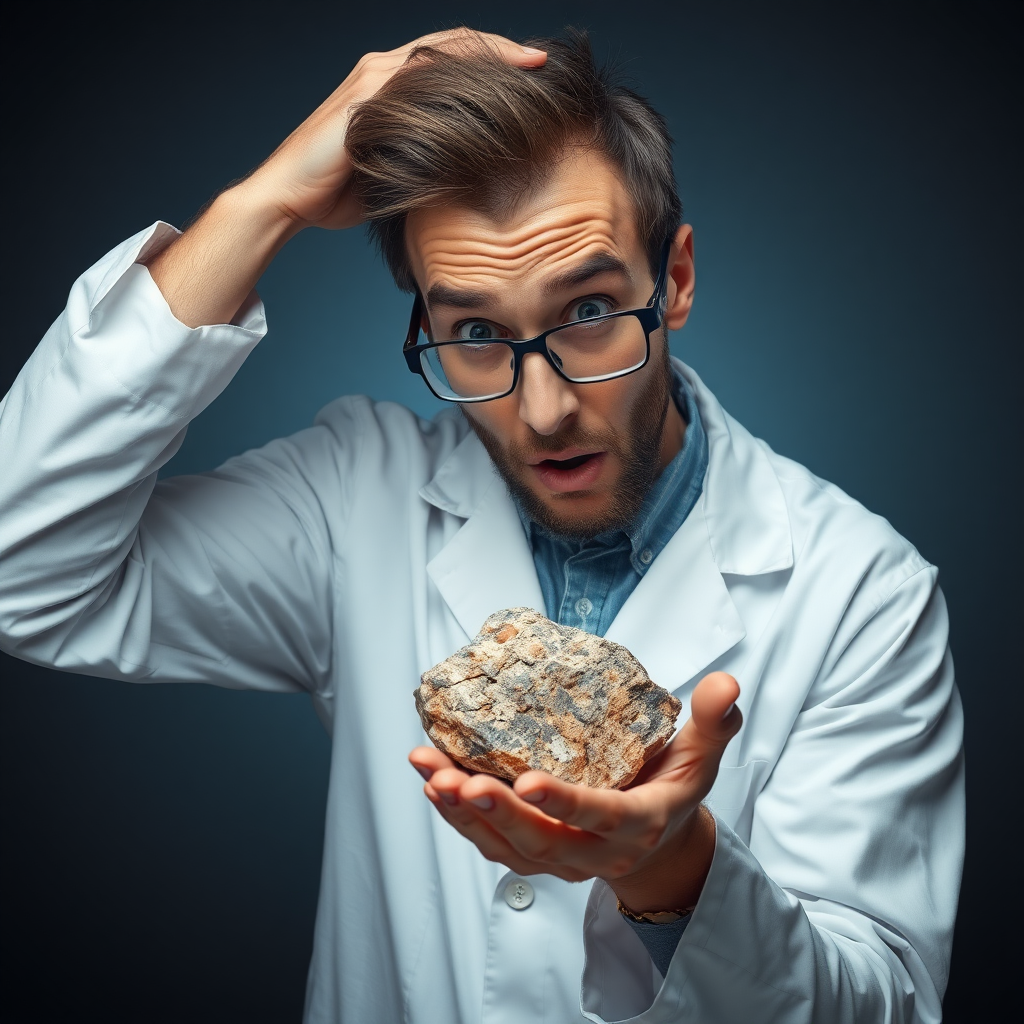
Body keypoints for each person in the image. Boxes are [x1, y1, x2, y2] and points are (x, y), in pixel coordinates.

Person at [0, 27, 963, 1024]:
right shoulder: (355, 499)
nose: (542, 408)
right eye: (472, 333)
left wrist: (673, 872)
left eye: (588, 308)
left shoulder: (862, 590)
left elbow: (882, 1003)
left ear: (671, 281)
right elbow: (18, 567)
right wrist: (264, 203)